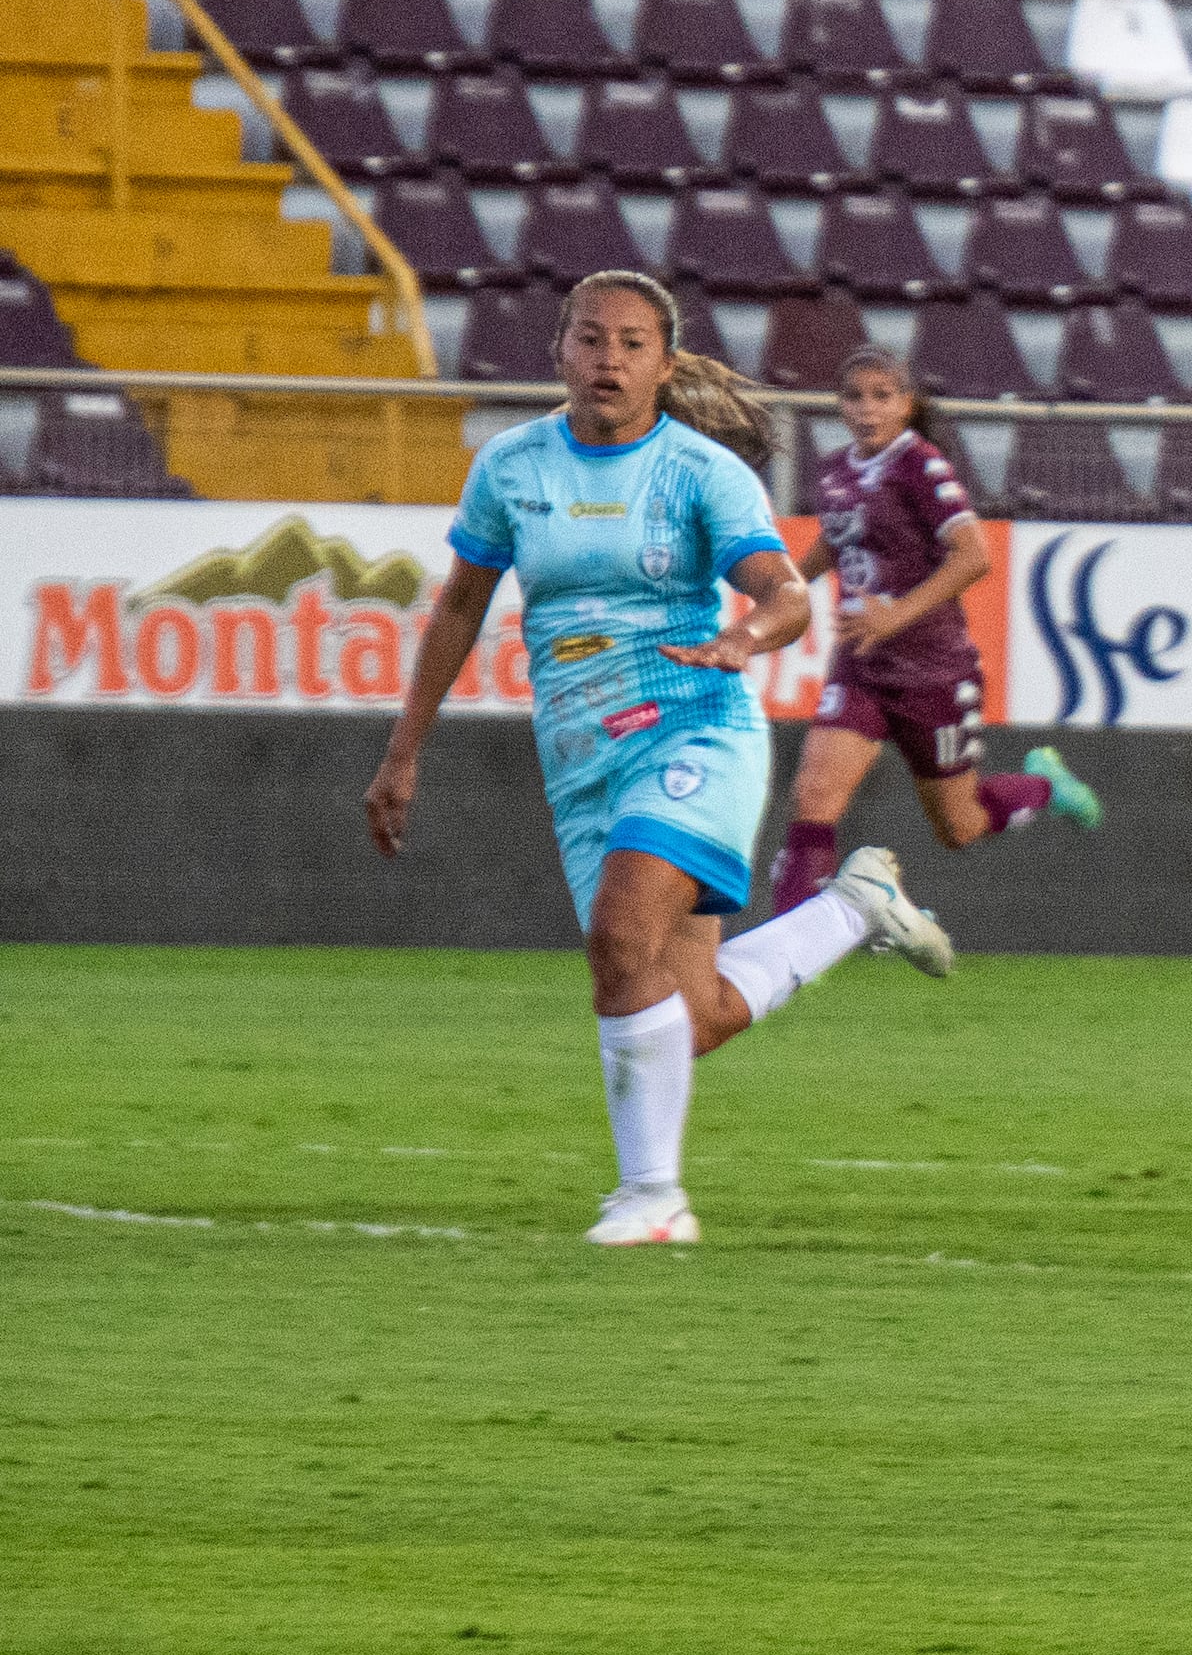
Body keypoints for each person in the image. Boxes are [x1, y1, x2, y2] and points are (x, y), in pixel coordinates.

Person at [363, 271, 955, 1248]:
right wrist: (403, 751)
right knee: (692, 1015)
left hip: (695, 730)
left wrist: (749, 634)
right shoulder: (511, 467)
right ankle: (854, 908)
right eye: (591, 339)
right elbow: (461, 603)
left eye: (633, 343)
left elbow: (786, 591)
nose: (609, 359)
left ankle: (652, 1200)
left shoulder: (698, 472)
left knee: (620, 931)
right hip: (579, 756)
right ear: (560, 352)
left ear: (663, 364)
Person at [763, 344, 1100, 916]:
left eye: (882, 396)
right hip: (864, 665)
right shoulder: (837, 468)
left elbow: (974, 556)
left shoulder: (921, 464)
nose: (866, 408)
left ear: (906, 404)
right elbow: (832, 540)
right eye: (854, 396)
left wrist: (896, 613)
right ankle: (790, 945)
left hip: (933, 670)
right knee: (814, 796)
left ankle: (1045, 786)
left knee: (959, 826)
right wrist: (781, 585)